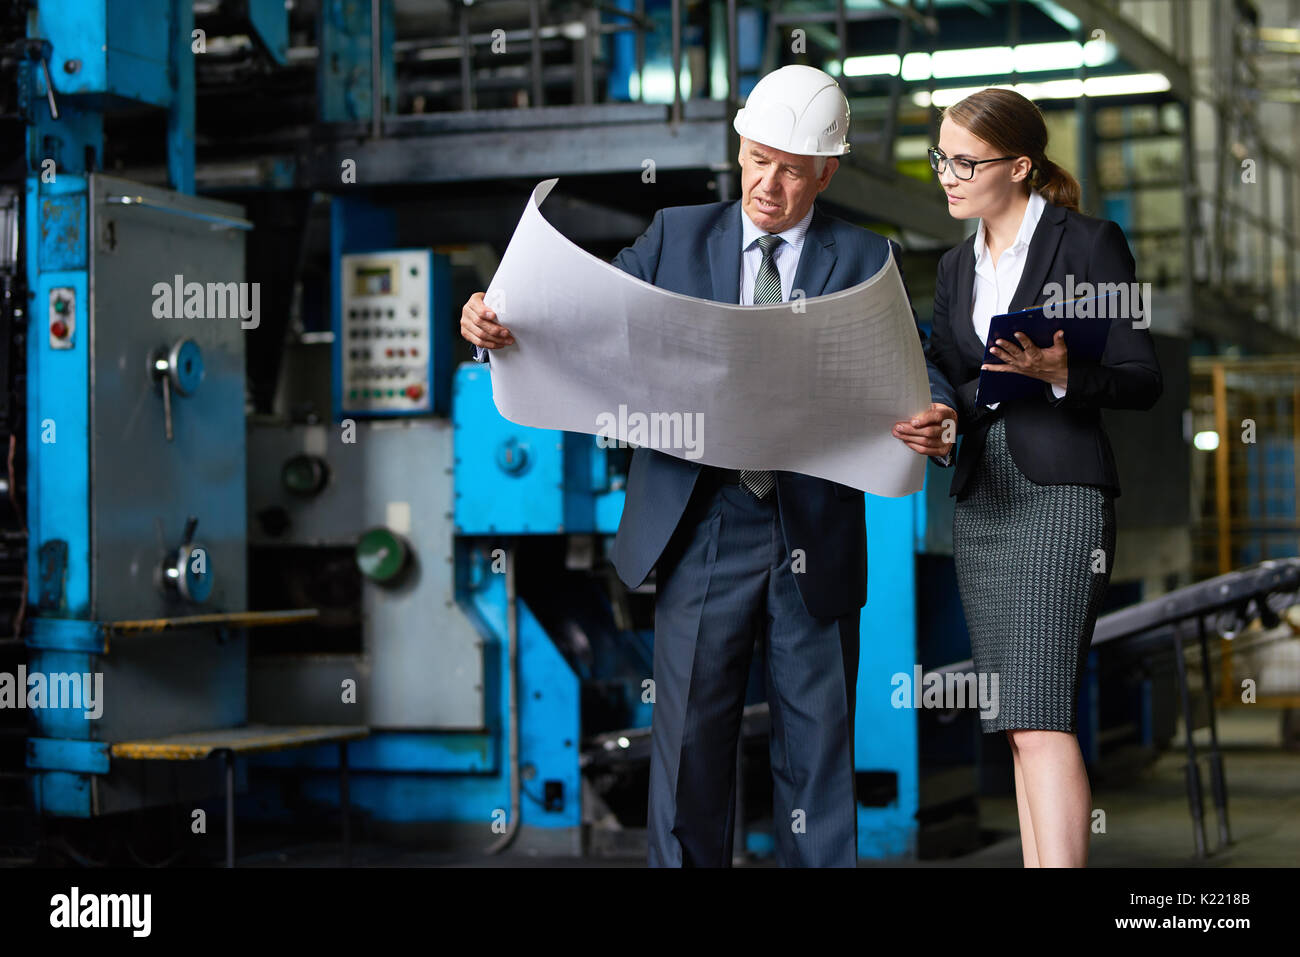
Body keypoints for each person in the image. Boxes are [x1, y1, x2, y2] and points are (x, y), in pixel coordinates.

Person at [461, 65, 958, 867]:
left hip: (814, 528)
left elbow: (918, 364)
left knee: (819, 749)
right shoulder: (674, 236)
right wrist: (495, 321)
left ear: (826, 172)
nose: (770, 182)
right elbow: (585, 318)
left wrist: (940, 413)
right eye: (758, 159)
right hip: (701, 522)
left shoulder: (867, 257)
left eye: (793, 169)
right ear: (739, 148)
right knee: (690, 742)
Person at [923, 88, 1162, 867]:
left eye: (965, 162)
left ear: (1019, 166)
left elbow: (1140, 374)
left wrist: (1064, 373)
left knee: (1040, 712)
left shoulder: (1089, 243)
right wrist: (943, 415)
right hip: (983, 500)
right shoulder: (956, 266)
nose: (947, 176)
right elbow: (956, 373)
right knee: (1018, 718)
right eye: (941, 159)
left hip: (1060, 493)